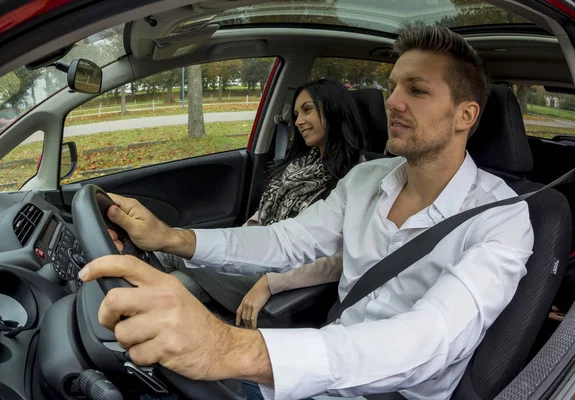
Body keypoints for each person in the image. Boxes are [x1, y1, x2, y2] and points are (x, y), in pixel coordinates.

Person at [79, 26, 534, 400]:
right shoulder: (367, 178)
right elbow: (286, 240)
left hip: (395, 392)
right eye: (393, 85)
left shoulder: (502, 219)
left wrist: (233, 349)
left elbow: (428, 338)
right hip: (320, 368)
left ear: (464, 115)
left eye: (416, 90)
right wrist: (171, 238)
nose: (391, 101)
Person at [152, 78, 367, 328]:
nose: (298, 121)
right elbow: (261, 219)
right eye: (296, 114)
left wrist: (270, 283)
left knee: (171, 243)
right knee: (175, 286)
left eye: (307, 110)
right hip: (256, 259)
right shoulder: (301, 163)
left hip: (282, 277)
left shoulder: (358, 176)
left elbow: (342, 258)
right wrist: (236, 246)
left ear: (333, 109)